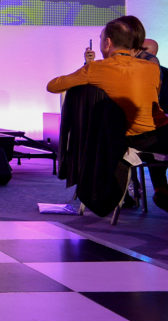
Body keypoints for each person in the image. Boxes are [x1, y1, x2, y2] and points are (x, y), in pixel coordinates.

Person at [47, 15, 168, 211]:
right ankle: (162, 189)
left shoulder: (97, 69)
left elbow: (53, 86)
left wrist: (88, 69)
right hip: (162, 133)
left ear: (108, 42)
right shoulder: (152, 68)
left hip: (133, 139)